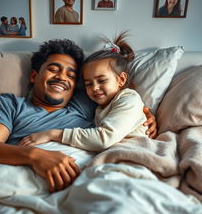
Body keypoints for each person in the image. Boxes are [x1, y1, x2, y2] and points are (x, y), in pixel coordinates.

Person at [0, 38, 157, 193]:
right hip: (25, 179)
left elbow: (121, 102)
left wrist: (147, 115)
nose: (62, 77)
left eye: (71, 75)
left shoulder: (87, 100)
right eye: (53, 69)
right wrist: (35, 156)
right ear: (33, 76)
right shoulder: (11, 104)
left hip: (89, 179)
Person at [18, 32, 148, 152]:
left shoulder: (129, 99)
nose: (95, 88)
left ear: (121, 79)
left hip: (131, 150)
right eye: (88, 84)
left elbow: (104, 139)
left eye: (102, 81)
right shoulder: (96, 104)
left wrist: (53, 134)